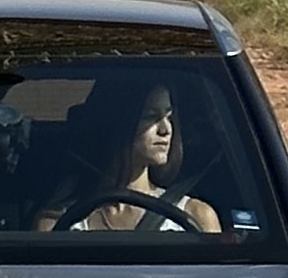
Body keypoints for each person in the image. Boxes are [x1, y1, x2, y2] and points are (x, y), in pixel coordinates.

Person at [36, 75, 220, 236]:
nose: (166, 130)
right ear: (117, 124)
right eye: (150, 117)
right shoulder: (58, 224)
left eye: (169, 117)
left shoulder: (197, 216)